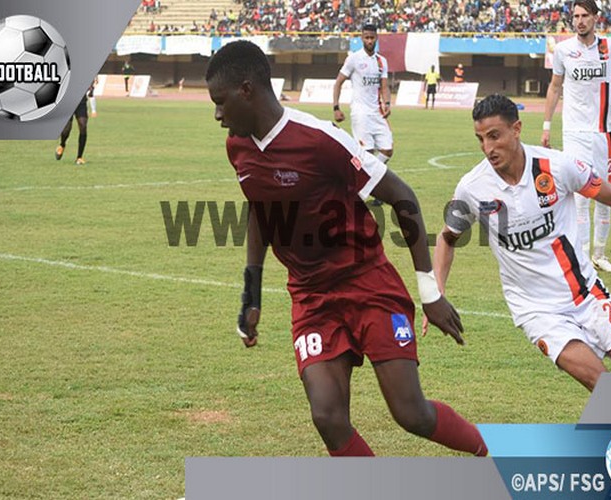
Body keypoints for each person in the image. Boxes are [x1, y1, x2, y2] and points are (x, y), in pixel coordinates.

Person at [207, 40, 488, 457]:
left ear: (246, 90)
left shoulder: (319, 139)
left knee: (412, 414)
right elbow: (261, 212)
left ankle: (492, 454)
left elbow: (403, 197)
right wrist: (252, 293)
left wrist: (430, 292)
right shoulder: (238, 147)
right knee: (327, 417)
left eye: (220, 102)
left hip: (367, 283)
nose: (217, 115)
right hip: (311, 297)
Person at [427, 94, 611, 392]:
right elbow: (447, 238)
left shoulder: (557, 166)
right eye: (481, 139)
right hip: (537, 311)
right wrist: (437, 292)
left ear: (517, 129)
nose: (488, 148)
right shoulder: (472, 188)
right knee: (606, 387)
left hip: (587, 293)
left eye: (494, 136)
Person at [542, 0, 611, 275]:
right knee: (581, 194)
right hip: (574, 132)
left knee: (605, 195)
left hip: (602, 132)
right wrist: (547, 126)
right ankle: (583, 256)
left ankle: (600, 255)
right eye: (576, 16)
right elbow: (555, 87)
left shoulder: (610, 48)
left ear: (596, 17)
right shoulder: (564, 50)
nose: (580, 21)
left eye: (585, 15)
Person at [333, 23, 392, 207]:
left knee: (387, 150)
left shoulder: (381, 61)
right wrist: (336, 107)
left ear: (376, 38)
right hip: (360, 113)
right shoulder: (354, 59)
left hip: (377, 112)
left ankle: (366, 185)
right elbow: (338, 82)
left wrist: (387, 103)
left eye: (372, 37)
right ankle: (361, 192)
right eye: (366, 37)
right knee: (367, 153)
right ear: (361, 38)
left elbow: (384, 86)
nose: (369, 41)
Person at [54, 93, 90, 165]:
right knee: (66, 129)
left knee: (83, 125)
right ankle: (62, 145)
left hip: (81, 101)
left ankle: (79, 157)